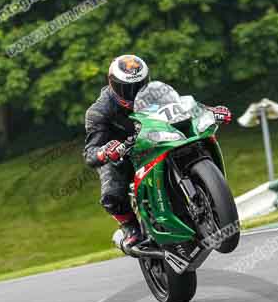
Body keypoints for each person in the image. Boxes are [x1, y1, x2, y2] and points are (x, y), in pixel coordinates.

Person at [83, 54, 232, 248]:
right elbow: (90, 152)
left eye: (139, 84)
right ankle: (130, 227)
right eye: (127, 88)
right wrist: (105, 152)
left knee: (194, 142)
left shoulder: (156, 92)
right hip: (122, 153)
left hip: (156, 138)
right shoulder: (99, 111)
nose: (134, 92)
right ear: (112, 84)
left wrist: (209, 111)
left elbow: (180, 107)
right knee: (111, 193)